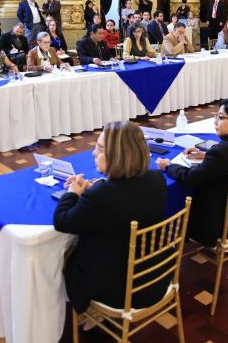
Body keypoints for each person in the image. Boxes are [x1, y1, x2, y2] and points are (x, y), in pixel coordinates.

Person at [54, 121, 169, 314]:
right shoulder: (157, 179)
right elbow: (124, 198)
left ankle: (81, 312)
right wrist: (94, 188)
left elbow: (62, 221)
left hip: (119, 290)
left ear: (118, 155)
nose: (93, 153)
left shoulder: (101, 196)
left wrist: (72, 193)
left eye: (99, 149)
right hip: (156, 276)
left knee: (62, 255)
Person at [156, 97, 228, 247]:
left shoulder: (223, 152)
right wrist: (207, 156)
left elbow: (191, 177)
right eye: (216, 116)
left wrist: (168, 166)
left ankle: (163, 245)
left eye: (221, 118)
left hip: (219, 224)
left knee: (176, 197)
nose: (215, 122)